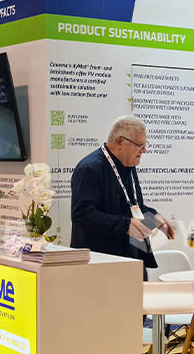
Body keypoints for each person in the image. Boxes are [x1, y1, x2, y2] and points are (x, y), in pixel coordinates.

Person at [70, 115, 174, 278]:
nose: (144, 150)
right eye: (139, 145)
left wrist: (153, 217)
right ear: (119, 142)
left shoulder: (128, 165)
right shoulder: (90, 168)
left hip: (132, 257)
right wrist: (125, 225)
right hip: (102, 264)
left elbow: (132, 206)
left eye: (145, 144)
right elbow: (82, 214)